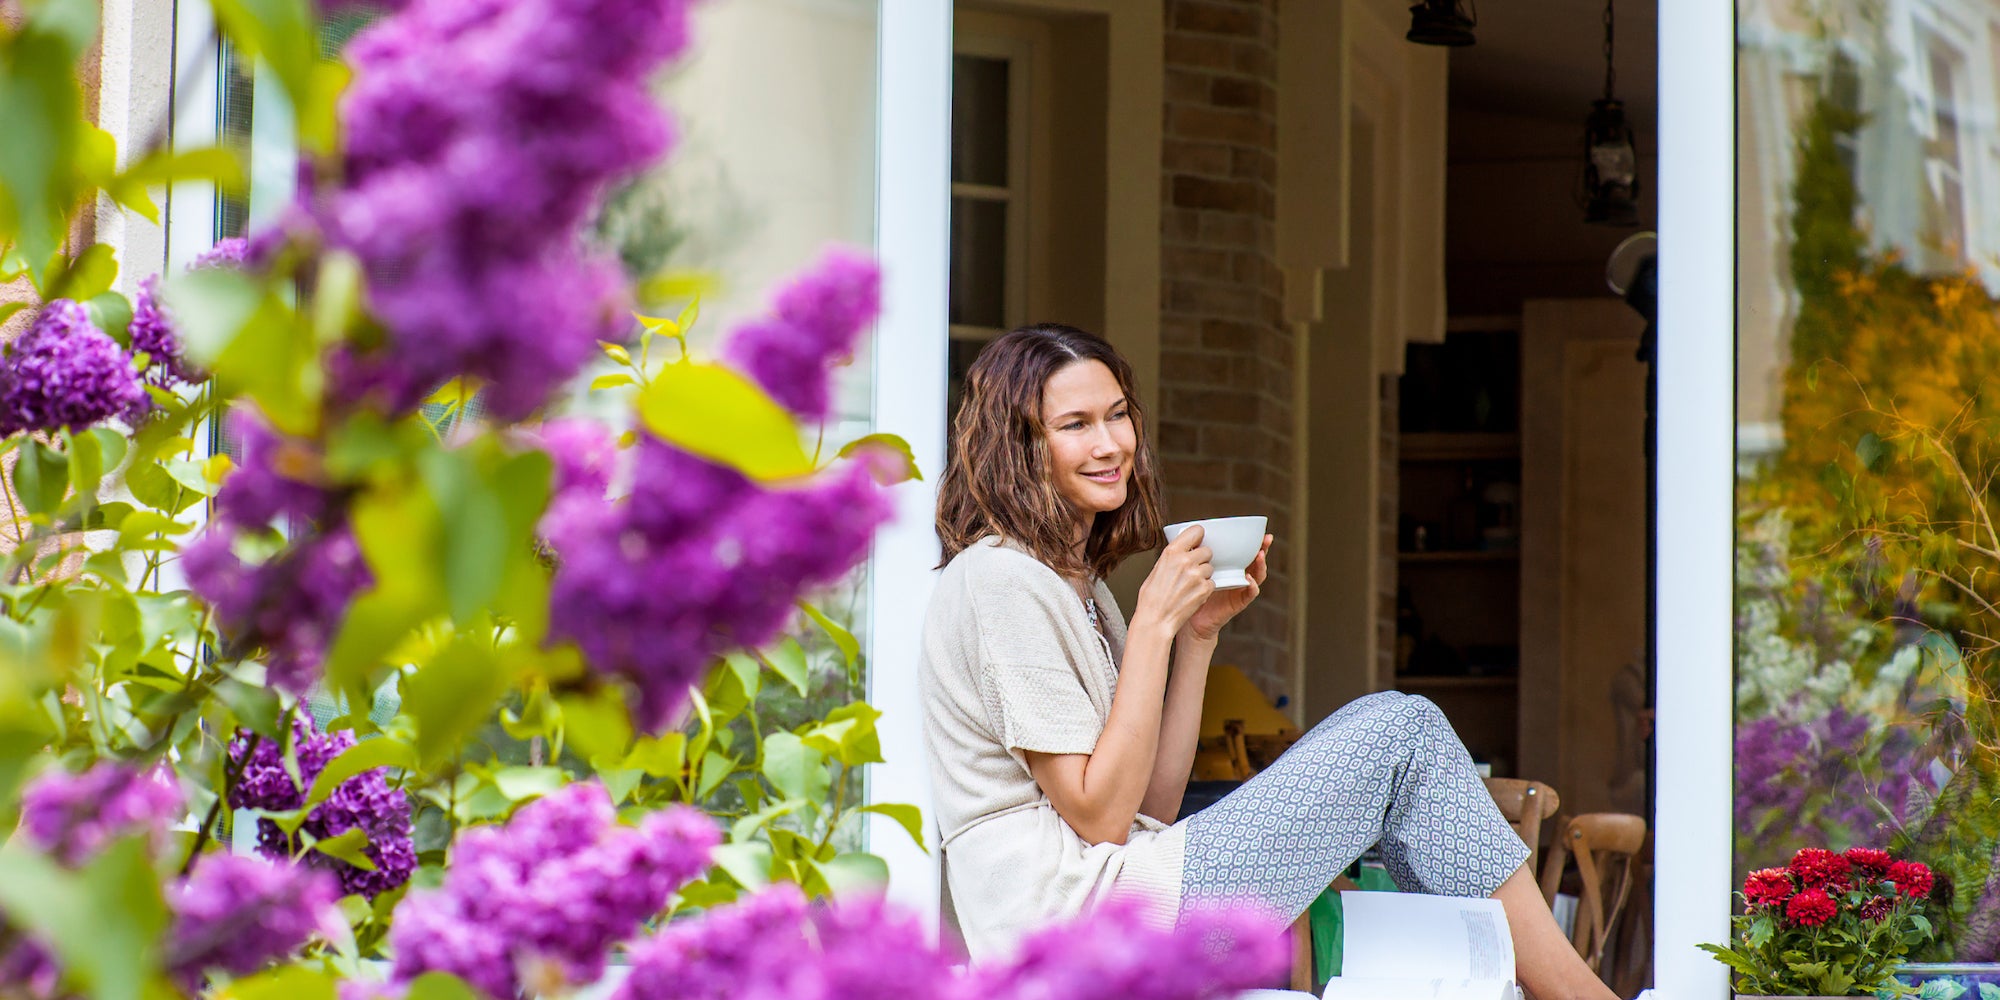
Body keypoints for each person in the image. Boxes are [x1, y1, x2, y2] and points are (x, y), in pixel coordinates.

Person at [918, 323, 1620, 999]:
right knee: (1400, 734)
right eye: (1075, 425)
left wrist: (1195, 638)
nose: (1109, 444)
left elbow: (1148, 810)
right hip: (1074, 939)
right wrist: (1154, 625)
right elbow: (1099, 822)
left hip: (1126, 899)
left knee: (1404, 731)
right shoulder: (1000, 581)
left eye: (1118, 416)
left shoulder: (1082, 589)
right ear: (1020, 446)